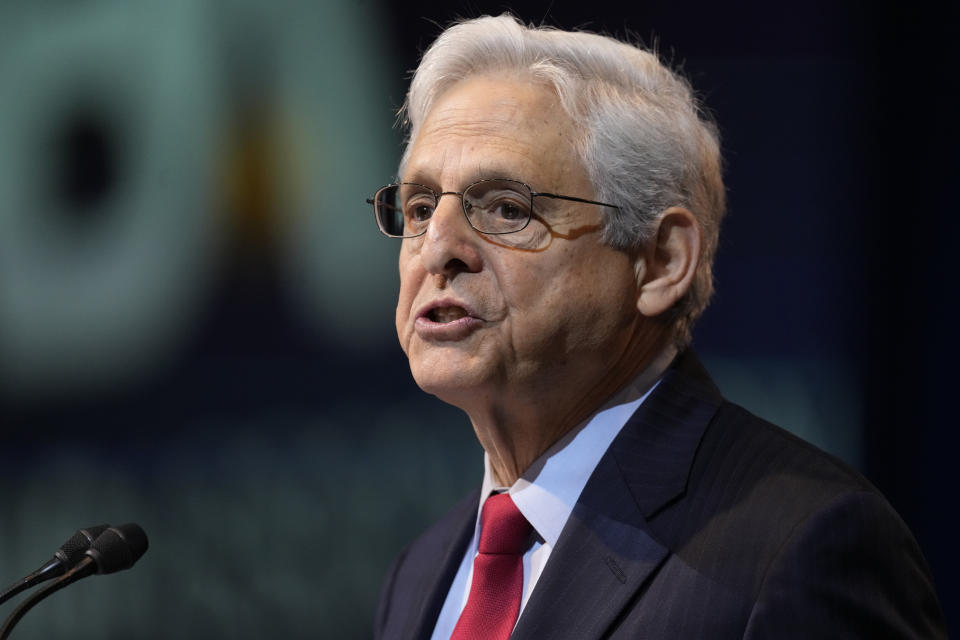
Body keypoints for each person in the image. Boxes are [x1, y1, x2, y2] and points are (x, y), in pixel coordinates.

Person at [370, 14, 946, 640]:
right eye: (422, 208)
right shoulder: (423, 572)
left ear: (661, 262)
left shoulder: (801, 548)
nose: (438, 249)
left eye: (508, 209)